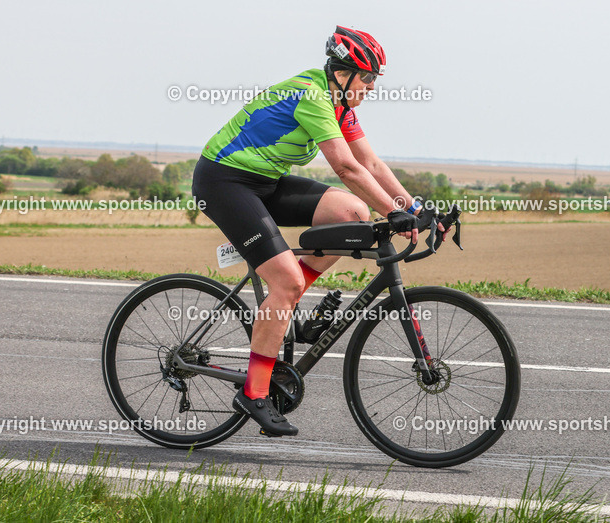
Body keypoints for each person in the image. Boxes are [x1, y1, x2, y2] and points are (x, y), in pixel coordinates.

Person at [192, 26, 451, 437]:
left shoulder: (340, 104)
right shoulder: (313, 96)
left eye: (374, 79)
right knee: (287, 281)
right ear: (342, 73)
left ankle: (286, 307)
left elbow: (371, 164)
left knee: (352, 213)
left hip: (265, 181)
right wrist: (392, 212)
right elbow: (346, 168)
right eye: (367, 77)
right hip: (224, 182)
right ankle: (254, 392)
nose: (371, 86)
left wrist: (415, 209)